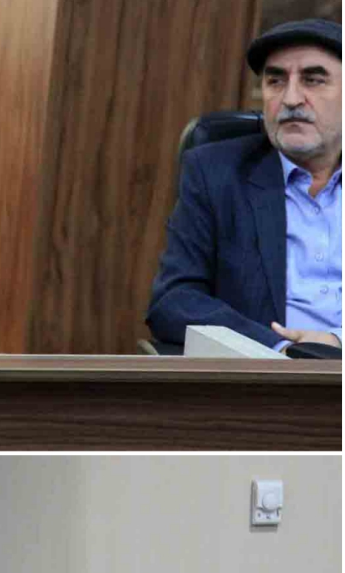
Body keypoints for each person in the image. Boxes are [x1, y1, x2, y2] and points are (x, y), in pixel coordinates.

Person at [146, 18, 341, 354]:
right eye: (275, 81)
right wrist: (279, 349)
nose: (291, 98)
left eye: (313, 80)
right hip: (267, 374)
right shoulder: (216, 174)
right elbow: (175, 301)